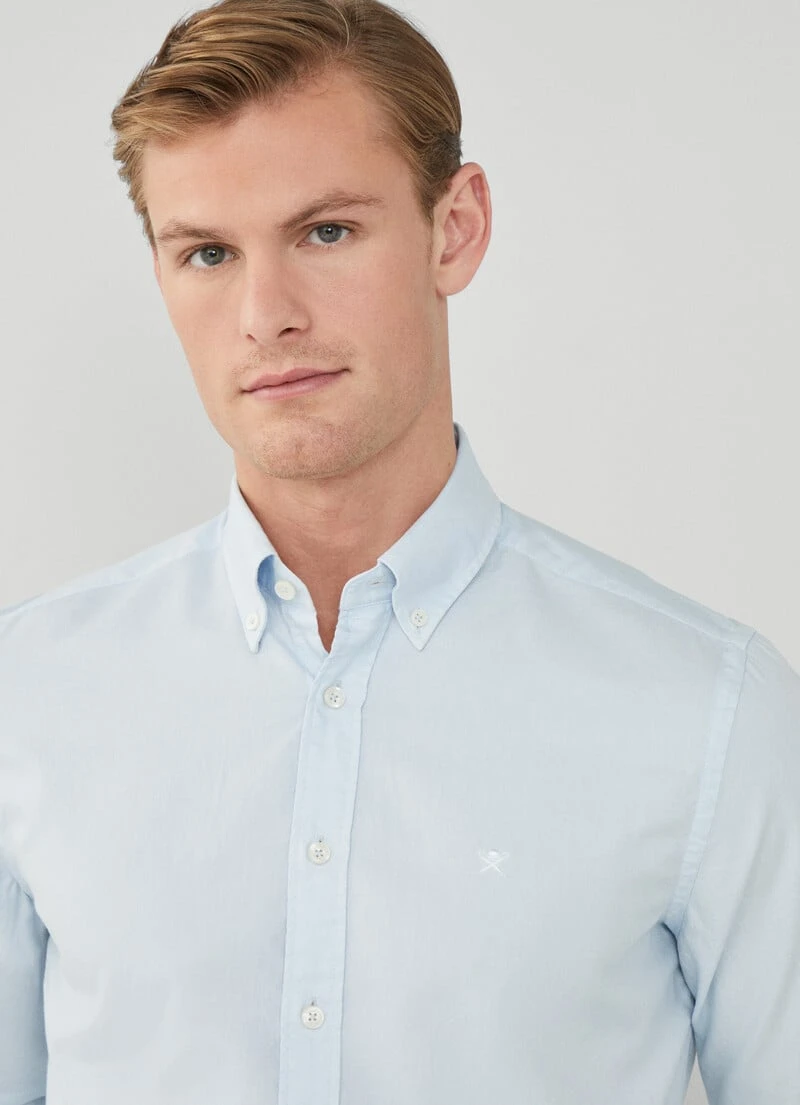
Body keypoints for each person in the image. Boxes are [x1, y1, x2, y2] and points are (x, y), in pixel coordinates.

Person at [1, 0, 798, 1102]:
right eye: (207, 252)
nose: (264, 314)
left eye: (325, 232)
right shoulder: (30, 694)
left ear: (454, 228)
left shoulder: (706, 707)